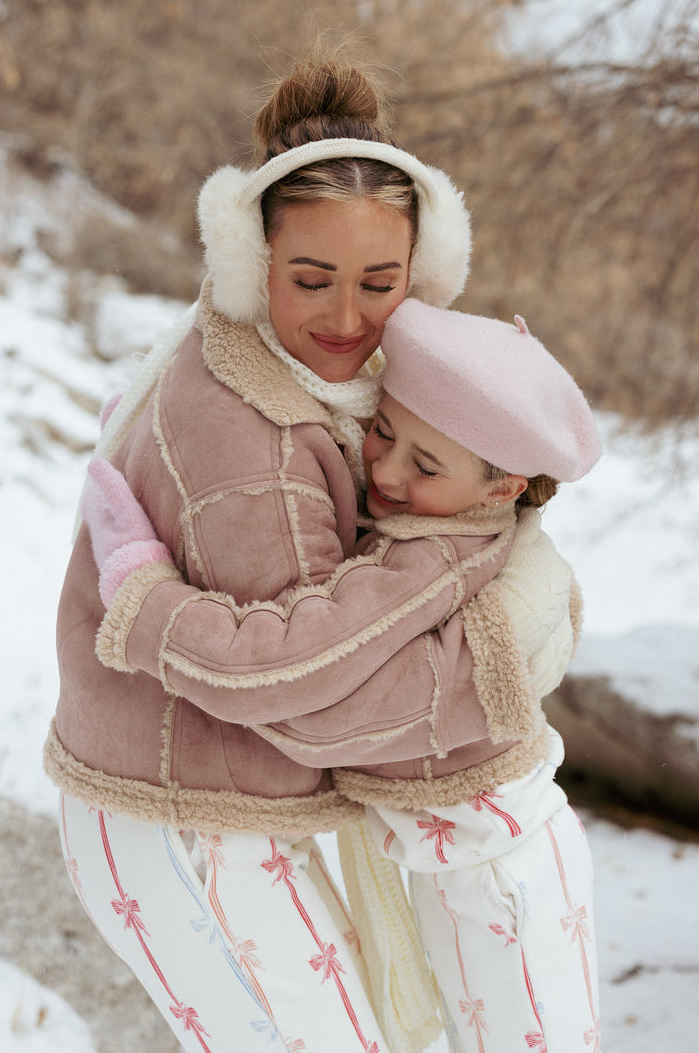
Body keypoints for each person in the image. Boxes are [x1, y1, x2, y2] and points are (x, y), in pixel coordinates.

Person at [45, 49, 580, 1053]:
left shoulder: (324, 379)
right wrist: (504, 652)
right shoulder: (261, 444)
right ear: (252, 263)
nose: (347, 318)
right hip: (190, 821)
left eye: (379, 282)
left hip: (225, 804)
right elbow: (312, 693)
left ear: (422, 276)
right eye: (311, 279)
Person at [81, 299, 602, 1053]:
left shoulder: (428, 557)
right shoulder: (426, 517)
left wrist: (146, 598)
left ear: (504, 488)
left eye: (424, 465)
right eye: (384, 431)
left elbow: (301, 693)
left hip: (506, 876)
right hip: (464, 866)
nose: (386, 472)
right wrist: (173, 466)